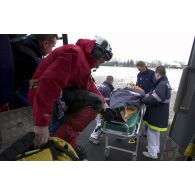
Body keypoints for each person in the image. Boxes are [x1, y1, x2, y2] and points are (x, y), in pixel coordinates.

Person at [28, 36, 113, 160]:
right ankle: (57, 142)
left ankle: (68, 142)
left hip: (55, 96)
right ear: (97, 52)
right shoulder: (73, 54)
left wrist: (105, 107)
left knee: (98, 102)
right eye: (101, 60)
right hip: (40, 95)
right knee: (94, 102)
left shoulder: (81, 60)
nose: (99, 64)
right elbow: (48, 85)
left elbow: (89, 86)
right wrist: (41, 124)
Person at [11, 34, 58, 108]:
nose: (51, 50)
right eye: (52, 46)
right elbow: (34, 87)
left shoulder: (22, 42)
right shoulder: (33, 61)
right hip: (14, 93)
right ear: (45, 44)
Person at [141, 66, 172, 159]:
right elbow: (156, 93)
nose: (154, 75)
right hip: (161, 112)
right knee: (156, 132)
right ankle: (155, 148)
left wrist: (144, 100)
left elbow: (156, 98)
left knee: (151, 131)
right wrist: (149, 94)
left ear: (158, 73)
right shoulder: (165, 82)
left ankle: (152, 153)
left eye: (155, 73)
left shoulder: (162, 84)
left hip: (157, 112)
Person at [89, 75, 114, 144]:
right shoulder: (108, 88)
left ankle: (98, 134)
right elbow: (107, 100)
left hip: (94, 105)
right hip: (99, 107)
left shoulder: (101, 85)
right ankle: (93, 137)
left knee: (99, 122)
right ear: (111, 81)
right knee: (100, 123)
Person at [136, 61, 156, 136]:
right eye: (138, 69)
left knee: (148, 115)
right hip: (141, 97)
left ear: (144, 66)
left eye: (140, 69)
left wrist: (150, 93)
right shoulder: (139, 75)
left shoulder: (152, 73)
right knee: (140, 114)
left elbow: (155, 85)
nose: (139, 70)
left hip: (149, 97)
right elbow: (137, 85)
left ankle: (147, 131)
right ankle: (139, 131)